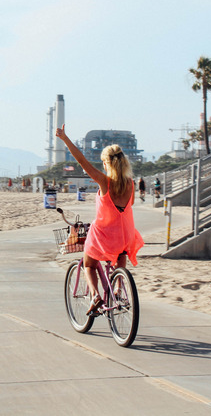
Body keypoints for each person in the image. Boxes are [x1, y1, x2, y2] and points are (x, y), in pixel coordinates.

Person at [55, 124, 144, 316]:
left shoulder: (104, 182)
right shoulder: (130, 184)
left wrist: (65, 138)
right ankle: (119, 289)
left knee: (89, 264)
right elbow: (131, 204)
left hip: (104, 235)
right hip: (126, 235)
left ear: (106, 164)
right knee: (121, 255)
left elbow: (81, 160)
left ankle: (96, 296)